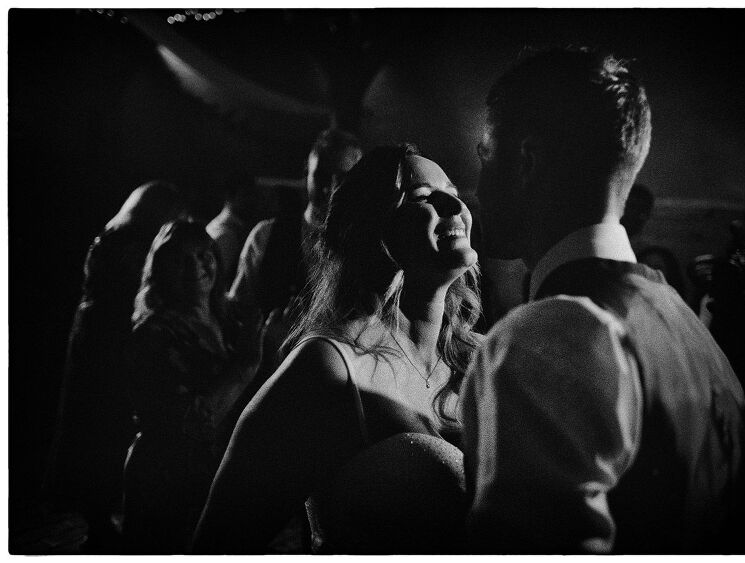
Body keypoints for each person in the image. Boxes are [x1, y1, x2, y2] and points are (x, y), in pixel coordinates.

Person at [461, 46, 745, 554]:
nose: (477, 188)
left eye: (485, 157)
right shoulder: (689, 329)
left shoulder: (552, 331)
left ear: (526, 162)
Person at [193, 144, 481, 554]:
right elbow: (217, 547)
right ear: (373, 229)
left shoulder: (480, 361)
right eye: (422, 197)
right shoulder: (330, 368)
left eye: (451, 189)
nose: (453, 203)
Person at [44, 180, 185, 553]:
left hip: (96, 336)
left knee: (92, 427)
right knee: (101, 428)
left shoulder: (115, 234)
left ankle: (98, 518)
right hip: (109, 340)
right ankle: (99, 520)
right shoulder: (131, 243)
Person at [121, 220, 260, 553]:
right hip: (167, 482)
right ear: (159, 271)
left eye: (203, 254)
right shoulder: (153, 334)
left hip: (219, 475)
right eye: (180, 260)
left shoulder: (229, 319)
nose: (197, 266)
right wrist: (246, 365)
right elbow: (191, 424)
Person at [228, 129, 363, 370]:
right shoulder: (266, 234)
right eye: (322, 176)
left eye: (341, 178)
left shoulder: (364, 245)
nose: (330, 188)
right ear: (306, 174)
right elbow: (239, 308)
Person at [206, 171, 265, 288]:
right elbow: (215, 283)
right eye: (247, 195)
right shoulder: (227, 236)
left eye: (254, 195)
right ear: (230, 196)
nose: (253, 201)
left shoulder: (216, 225)